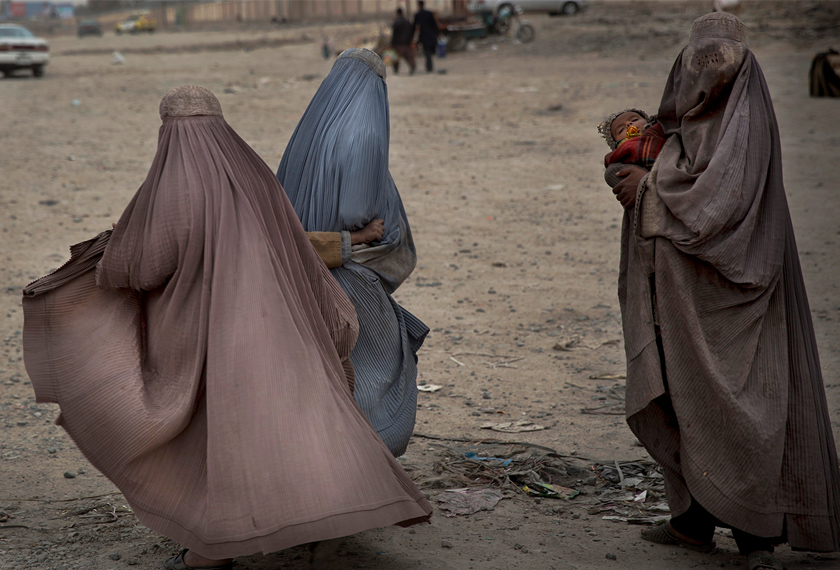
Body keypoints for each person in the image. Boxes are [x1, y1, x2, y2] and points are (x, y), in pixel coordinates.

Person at [22, 85, 432, 570]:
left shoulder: (169, 187)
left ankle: (208, 552)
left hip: (205, 345)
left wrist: (103, 257)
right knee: (294, 430)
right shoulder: (257, 178)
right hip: (284, 333)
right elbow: (299, 248)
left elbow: (136, 267)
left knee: (215, 446)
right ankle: (329, 524)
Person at [612, 13, 840, 569]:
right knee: (682, 394)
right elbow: (678, 157)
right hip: (679, 294)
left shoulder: (747, 121)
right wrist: (637, 145)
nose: (708, 79)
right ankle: (692, 520)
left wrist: (650, 190)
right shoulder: (685, 113)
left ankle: (757, 530)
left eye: (721, 68)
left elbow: (721, 203)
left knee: (745, 405)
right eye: (700, 66)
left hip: (739, 295)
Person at [276, 49, 428, 459]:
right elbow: (355, 211)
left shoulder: (309, 130)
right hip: (347, 273)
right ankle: (362, 463)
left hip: (301, 271)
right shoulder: (366, 133)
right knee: (371, 371)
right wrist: (364, 234)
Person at [597, 108, 665, 188]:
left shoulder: (660, 130)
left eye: (635, 119)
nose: (629, 124)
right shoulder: (622, 152)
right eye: (621, 130)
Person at [413, 0, 439, 73]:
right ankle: (429, 66)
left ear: (419, 5)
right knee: (429, 51)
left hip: (424, 35)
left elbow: (414, 26)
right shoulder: (429, 13)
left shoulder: (418, 15)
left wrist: (411, 36)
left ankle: (429, 66)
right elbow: (434, 25)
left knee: (427, 51)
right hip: (431, 35)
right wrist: (437, 33)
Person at [391, 7, 416, 74]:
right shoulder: (407, 22)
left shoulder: (397, 22)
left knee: (396, 57)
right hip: (406, 42)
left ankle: (396, 70)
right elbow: (411, 31)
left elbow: (394, 33)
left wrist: (392, 43)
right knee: (408, 56)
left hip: (398, 43)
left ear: (398, 13)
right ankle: (412, 66)